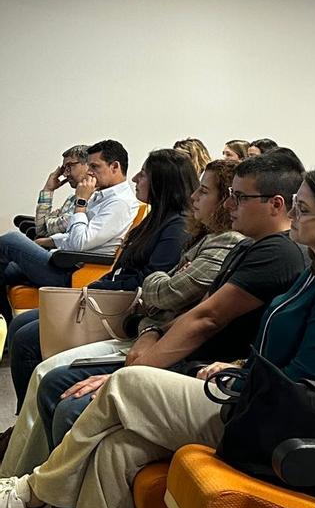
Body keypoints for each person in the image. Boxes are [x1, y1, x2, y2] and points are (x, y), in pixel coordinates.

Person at [0, 164, 315, 508]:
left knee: (128, 382)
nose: (296, 219)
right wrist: (239, 365)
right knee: (115, 449)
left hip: (274, 429)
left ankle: (35, 494)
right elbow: (283, 358)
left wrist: (240, 376)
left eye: (304, 211)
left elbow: (308, 382)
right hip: (255, 404)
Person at [1, 160, 244, 508]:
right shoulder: (198, 234)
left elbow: (176, 300)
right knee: (56, 379)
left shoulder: (244, 247)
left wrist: (150, 324)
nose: (205, 199)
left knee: (68, 390)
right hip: (155, 334)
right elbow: (165, 297)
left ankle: (34, 495)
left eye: (217, 193)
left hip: (195, 365)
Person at [8, 150, 196, 412]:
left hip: (111, 297)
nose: (136, 179)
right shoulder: (154, 218)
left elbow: (145, 281)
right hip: (99, 285)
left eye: (144, 174)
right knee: (20, 321)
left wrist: (81, 205)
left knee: (27, 335)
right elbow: (49, 230)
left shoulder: (173, 226)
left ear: (161, 182)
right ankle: (22, 423)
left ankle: (26, 420)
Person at [0, 141, 139, 322]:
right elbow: (74, 235)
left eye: (95, 167)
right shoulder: (101, 195)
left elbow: (80, 243)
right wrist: (50, 241)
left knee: (10, 240)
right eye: (89, 166)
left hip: (76, 271)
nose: (90, 172)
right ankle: (6, 334)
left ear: (115, 167)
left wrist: (81, 202)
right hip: (64, 259)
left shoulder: (119, 203)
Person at [30, 146, 90, 240]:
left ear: (89, 165)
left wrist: (50, 221)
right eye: (64, 168)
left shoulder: (93, 198)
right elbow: (41, 230)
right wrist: (48, 190)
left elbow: (54, 227)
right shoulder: (72, 198)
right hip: (52, 251)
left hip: (65, 254)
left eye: (70, 166)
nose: (65, 174)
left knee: (9, 240)